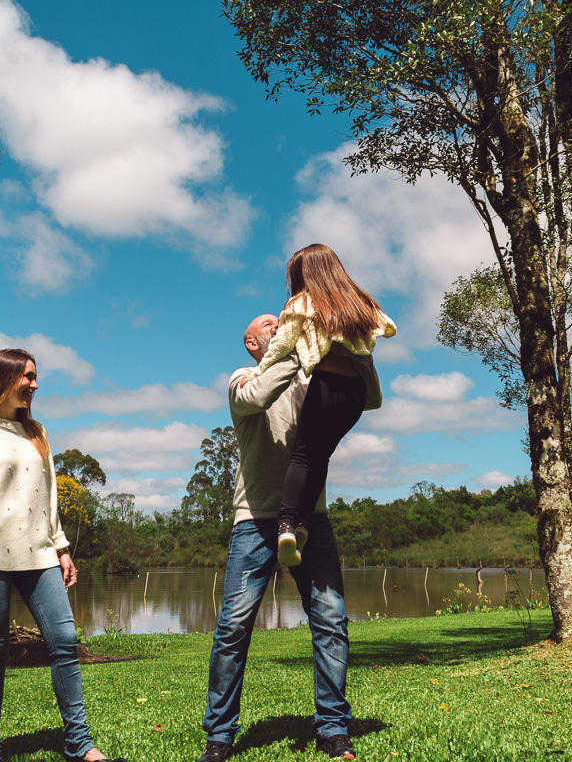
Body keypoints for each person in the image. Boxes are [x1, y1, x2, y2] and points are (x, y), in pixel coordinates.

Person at [198, 310, 383, 762]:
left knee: (331, 620)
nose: (278, 323)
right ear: (251, 343)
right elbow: (260, 396)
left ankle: (333, 728)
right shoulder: (241, 379)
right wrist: (295, 347)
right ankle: (220, 736)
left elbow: (371, 398)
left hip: (311, 519)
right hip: (255, 520)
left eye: (280, 320)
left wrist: (353, 343)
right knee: (234, 627)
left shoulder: (310, 377)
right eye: (267, 325)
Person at [0, 348, 125, 762]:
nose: (35, 384)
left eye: (35, 376)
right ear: (4, 378)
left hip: (41, 556)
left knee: (64, 641)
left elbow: (50, 498)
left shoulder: (38, 431)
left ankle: (80, 744)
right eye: (27, 376)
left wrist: (62, 549)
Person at [244, 244, 395, 567]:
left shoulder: (301, 302)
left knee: (303, 454)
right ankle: (303, 525)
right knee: (320, 456)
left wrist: (258, 371)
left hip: (325, 388)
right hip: (354, 396)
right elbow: (387, 325)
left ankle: (286, 525)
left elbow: (282, 346)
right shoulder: (356, 300)